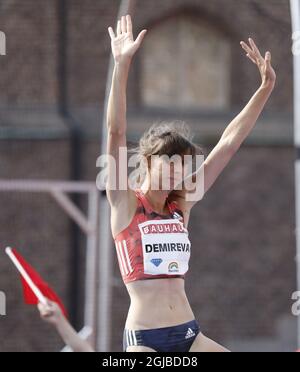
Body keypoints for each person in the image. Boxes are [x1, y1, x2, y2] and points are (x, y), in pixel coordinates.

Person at [106, 14, 276, 352]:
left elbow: (228, 144)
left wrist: (265, 89)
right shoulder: (125, 203)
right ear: (149, 162)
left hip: (189, 334)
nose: (175, 173)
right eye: (168, 164)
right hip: (145, 340)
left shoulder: (180, 205)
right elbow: (117, 132)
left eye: (182, 167)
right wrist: (122, 65)